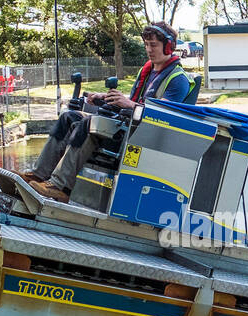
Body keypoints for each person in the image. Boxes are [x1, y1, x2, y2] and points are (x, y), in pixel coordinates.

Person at [25, 22, 191, 203]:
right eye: (146, 44)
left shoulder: (178, 80)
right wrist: (106, 97)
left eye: (153, 45)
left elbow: (161, 116)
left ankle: (60, 186)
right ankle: (39, 175)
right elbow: (136, 102)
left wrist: (128, 104)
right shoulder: (149, 71)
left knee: (90, 123)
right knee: (68, 117)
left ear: (169, 47)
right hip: (125, 125)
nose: (148, 49)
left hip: (140, 138)